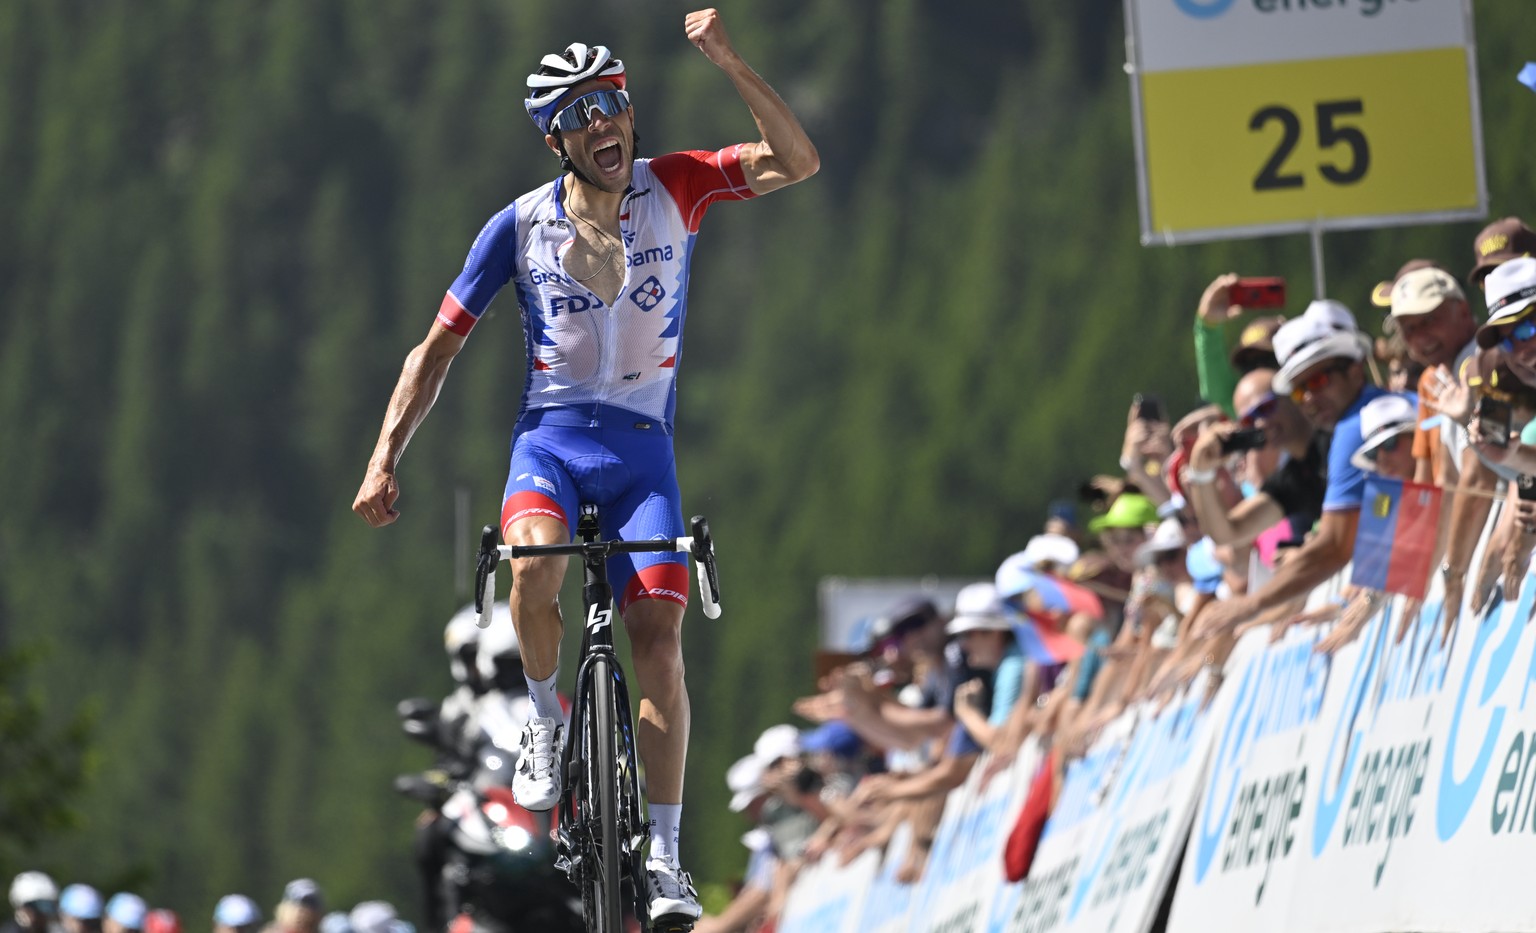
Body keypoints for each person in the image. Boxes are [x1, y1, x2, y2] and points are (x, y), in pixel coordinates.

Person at [351, 12, 818, 923]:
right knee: (532, 565)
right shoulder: (517, 227)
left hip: (645, 454)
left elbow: (794, 161)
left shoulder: (676, 187)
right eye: (579, 112)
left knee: (660, 651)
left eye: (613, 102)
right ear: (554, 136)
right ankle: (543, 715)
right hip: (552, 442)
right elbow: (433, 352)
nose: (603, 122)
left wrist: (726, 59)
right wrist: (384, 459)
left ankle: (669, 858)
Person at [1197, 301, 1395, 638]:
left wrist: (1251, 606)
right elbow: (1228, 532)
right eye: (1301, 387)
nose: (1310, 397)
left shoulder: (1349, 429)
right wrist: (1198, 473)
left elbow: (1333, 546)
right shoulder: (1347, 428)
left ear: (1356, 369)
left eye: (1318, 379)